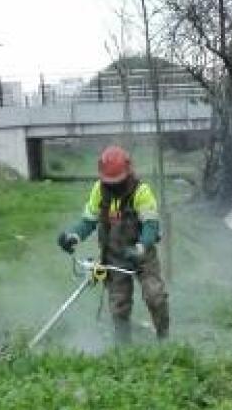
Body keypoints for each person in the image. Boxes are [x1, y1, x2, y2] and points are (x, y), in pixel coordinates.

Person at [58, 146, 170, 341]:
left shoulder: (141, 192)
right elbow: (88, 221)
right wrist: (73, 237)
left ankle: (164, 337)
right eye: (108, 182)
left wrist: (140, 248)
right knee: (119, 305)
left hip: (143, 255)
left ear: (128, 174)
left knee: (155, 296)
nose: (113, 187)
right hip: (114, 256)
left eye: (117, 182)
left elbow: (151, 225)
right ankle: (123, 348)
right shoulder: (99, 191)